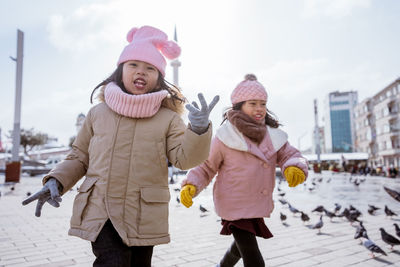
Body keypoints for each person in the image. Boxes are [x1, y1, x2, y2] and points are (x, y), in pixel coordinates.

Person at [22, 25, 219, 267]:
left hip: (143, 214)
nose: (141, 72)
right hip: (102, 212)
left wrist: (198, 131)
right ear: (120, 70)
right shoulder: (98, 113)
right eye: (133, 65)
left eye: (150, 68)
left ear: (159, 78)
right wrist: (57, 179)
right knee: (112, 262)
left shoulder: (167, 118)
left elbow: (184, 159)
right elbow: (79, 156)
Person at [180, 74, 308, 267]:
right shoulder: (226, 136)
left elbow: (290, 154)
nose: (259, 109)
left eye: (263, 104)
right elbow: (206, 166)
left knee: (239, 247)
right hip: (233, 202)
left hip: (256, 202)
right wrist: (191, 185)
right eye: (253, 103)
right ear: (239, 105)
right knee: (253, 259)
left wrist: (293, 166)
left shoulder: (273, 136)